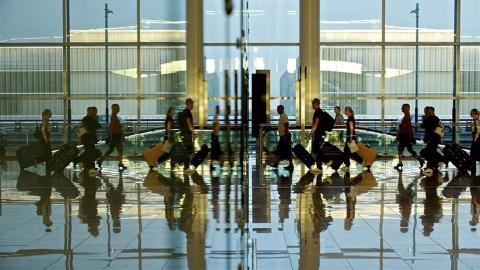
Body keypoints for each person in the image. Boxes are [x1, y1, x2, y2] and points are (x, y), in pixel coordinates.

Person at [394, 104, 424, 170]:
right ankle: (419, 159)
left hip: (405, 136)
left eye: (402, 108)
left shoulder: (407, 116)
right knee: (409, 149)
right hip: (406, 135)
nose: (401, 108)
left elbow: (409, 127)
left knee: (401, 149)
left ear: (406, 108)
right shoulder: (407, 116)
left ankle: (400, 163)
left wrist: (410, 136)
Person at [97, 104, 126, 170]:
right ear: (114, 109)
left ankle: (120, 163)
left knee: (119, 149)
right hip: (115, 135)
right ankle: (101, 160)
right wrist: (110, 137)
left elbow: (113, 126)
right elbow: (112, 126)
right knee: (112, 149)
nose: (119, 109)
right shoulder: (113, 117)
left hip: (116, 135)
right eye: (117, 108)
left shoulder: (114, 116)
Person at [420, 106, 446, 175]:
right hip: (435, 137)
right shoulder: (436, 119)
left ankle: (431, 166)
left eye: (428, 112)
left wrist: (424, 119)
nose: (427, 113)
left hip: (432, 137)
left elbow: (423, 125)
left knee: (430, 151)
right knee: (431, 151)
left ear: (431, 111)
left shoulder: (431, 119)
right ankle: (437, 163)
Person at [78, 106, 102, 176]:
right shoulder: (89, 119)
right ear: (89, 112)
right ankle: (90, 167)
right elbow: (97, 126)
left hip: (86, 138)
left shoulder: (84, 119)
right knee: (90, 153)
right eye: (93, 113)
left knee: (89, 152)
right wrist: (96, 120)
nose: (94, 114)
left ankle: (84, 163)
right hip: (89, 138)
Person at [272, 105, 293, 170]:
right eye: (277, 109)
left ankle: (290, 164)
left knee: (285, 150)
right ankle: (277, 163)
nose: (278, 110)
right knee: (280, 150)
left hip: (285, 136)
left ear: (282, 109)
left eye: (279, 109)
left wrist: (285, 135)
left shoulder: (284, 116)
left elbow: (286, 126)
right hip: (283, 136)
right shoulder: (281, 116)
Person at [309, 98, 327, 171]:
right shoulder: (321, 111)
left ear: (315, 104)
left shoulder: (318, 112)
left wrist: (311, 132)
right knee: (317, 150)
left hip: (318, 134)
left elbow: (316, 123)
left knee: (316, 150)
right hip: (321, 133)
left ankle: (326, 161)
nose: (312, 105)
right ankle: (319, 166)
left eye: (313, 103)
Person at [179, 98, 196, 172]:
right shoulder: (187, 112)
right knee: (188, 150)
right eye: (192, 103)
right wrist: (193, 132)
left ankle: (184, 165)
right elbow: (189, 122)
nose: (193, 105)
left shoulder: (184, 112)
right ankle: (185, 167)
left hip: (184, 133)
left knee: (187, 150)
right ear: (189, 104)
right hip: (186, 134)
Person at [340, 106, 356, 172]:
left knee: (348, 152)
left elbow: (351, 129)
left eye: (346, 110)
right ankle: (347, 165)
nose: (345, 112)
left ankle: (347, 165)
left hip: (350, 137)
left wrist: (351, 138)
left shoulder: (350, 119)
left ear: (349, 111)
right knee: (349, 151)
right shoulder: (350, 118)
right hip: (350, 137)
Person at [470, 108, 480, 174]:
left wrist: (476, 137)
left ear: (474, 113)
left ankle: (473, 170)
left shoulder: (477, 121)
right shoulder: (475, 120)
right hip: (476, 139)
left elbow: (479, 130)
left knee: (473, 154)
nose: (470, 114)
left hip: (477, 139)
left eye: (471, 113)